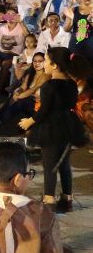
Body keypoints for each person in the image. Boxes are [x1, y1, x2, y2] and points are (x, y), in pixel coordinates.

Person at [18, 47, 85, 212]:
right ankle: (67, 199)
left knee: (50, 165)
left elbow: (44, 110)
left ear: (55, 65)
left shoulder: (49, 85)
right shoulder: (72, 83)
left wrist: (29, 121)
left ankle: (49, 200)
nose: (44, 65)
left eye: (46, 61)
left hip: (51, 127)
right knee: (64, 164)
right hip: (69, 125)